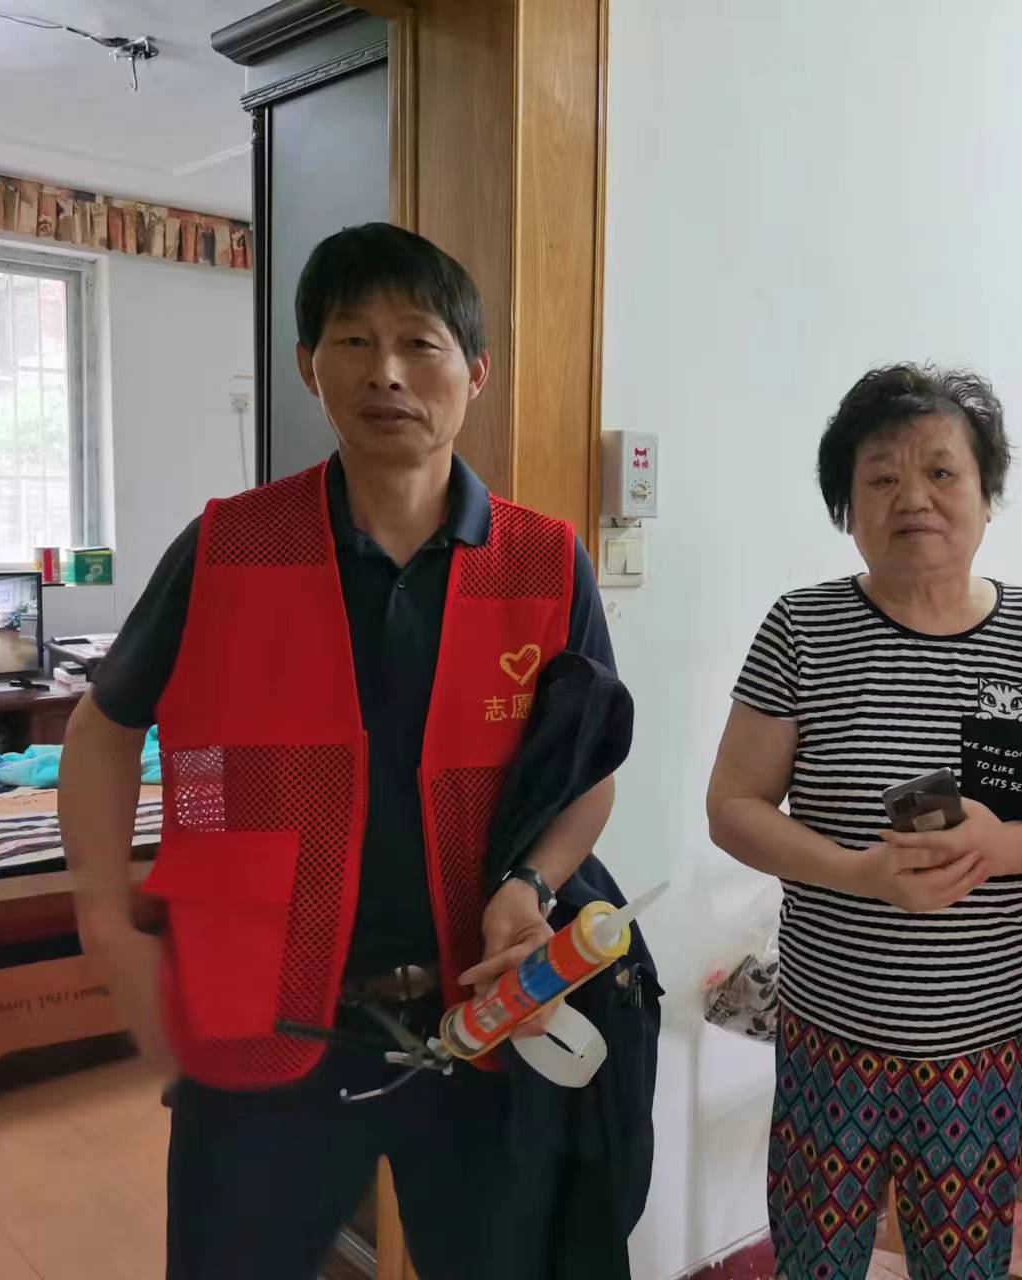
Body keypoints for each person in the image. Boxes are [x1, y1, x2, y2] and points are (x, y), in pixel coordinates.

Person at [60, 223, 621, 1280]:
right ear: (308, 366)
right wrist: (101, 912)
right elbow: (102, 730)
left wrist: (530, 884)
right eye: (353, 341)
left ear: (475, 372)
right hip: (259, 1017)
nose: (386, 372)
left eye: (419, 343)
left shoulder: (545, 562)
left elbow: (585, 775)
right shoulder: (228, 544)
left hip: (479, 1021)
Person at [706, 364, 1022, 1280]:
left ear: (986, 493)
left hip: (983, 1042)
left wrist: (1002, 845)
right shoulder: (803, 629)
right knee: (816, 1262)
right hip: (830, 1033)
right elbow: (732, 808)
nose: (914, 498)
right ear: (846, 507)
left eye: (941, 472)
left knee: (963, 1266)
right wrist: (856, 872)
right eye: (882, 477)